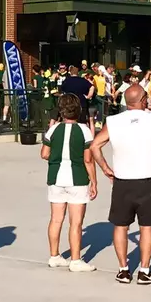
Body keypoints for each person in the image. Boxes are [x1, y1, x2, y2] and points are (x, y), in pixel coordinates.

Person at [88, 83, 151, 285]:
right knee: (146, 226)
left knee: (121, 225)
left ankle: (123, 269)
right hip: (147, 179)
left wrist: (105, 168)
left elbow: (95, 145)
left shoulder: (113, 121)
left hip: (122, 180)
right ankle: (145, 270)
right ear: (143, 100)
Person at [42, 93, 97, 272]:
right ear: (78, 110)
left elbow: (44, 153)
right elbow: (88, 159)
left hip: (56, 178)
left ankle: (54, 256)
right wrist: (94, 182)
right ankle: (75, 260)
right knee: (76, 222)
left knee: (56, 219)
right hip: (77, 178)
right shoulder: (84, 130)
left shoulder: (53, 129)